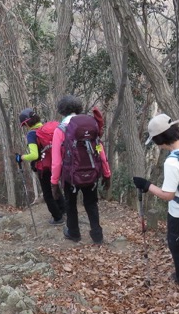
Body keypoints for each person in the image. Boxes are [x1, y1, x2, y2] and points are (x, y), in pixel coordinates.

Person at [133, 114, 179, 285]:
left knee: (177, 244)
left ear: (159, 140)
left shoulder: (172, 162)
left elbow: (168, 195)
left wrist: (147, 185)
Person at [50, 95, 111, 244]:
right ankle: (97, 236)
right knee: (91, 203)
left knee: (70, 205)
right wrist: (106, 173)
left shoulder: (61, 129)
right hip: (91, 173)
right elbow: (99, 149)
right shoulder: (91, 126)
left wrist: (54, 182)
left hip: (70, 176)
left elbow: (57, 160)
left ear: (61, 111)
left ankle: (74, 233)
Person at [15, 108, 64, 225]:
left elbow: (34, 155)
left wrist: (21, 157)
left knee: (47, 193)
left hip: (44, 167)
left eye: (24, 125)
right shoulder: (47, 128)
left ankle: (57, 218)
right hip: (57, 163)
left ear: (26, 123)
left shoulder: (32, 134)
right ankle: (64, 211)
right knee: (55, 187)